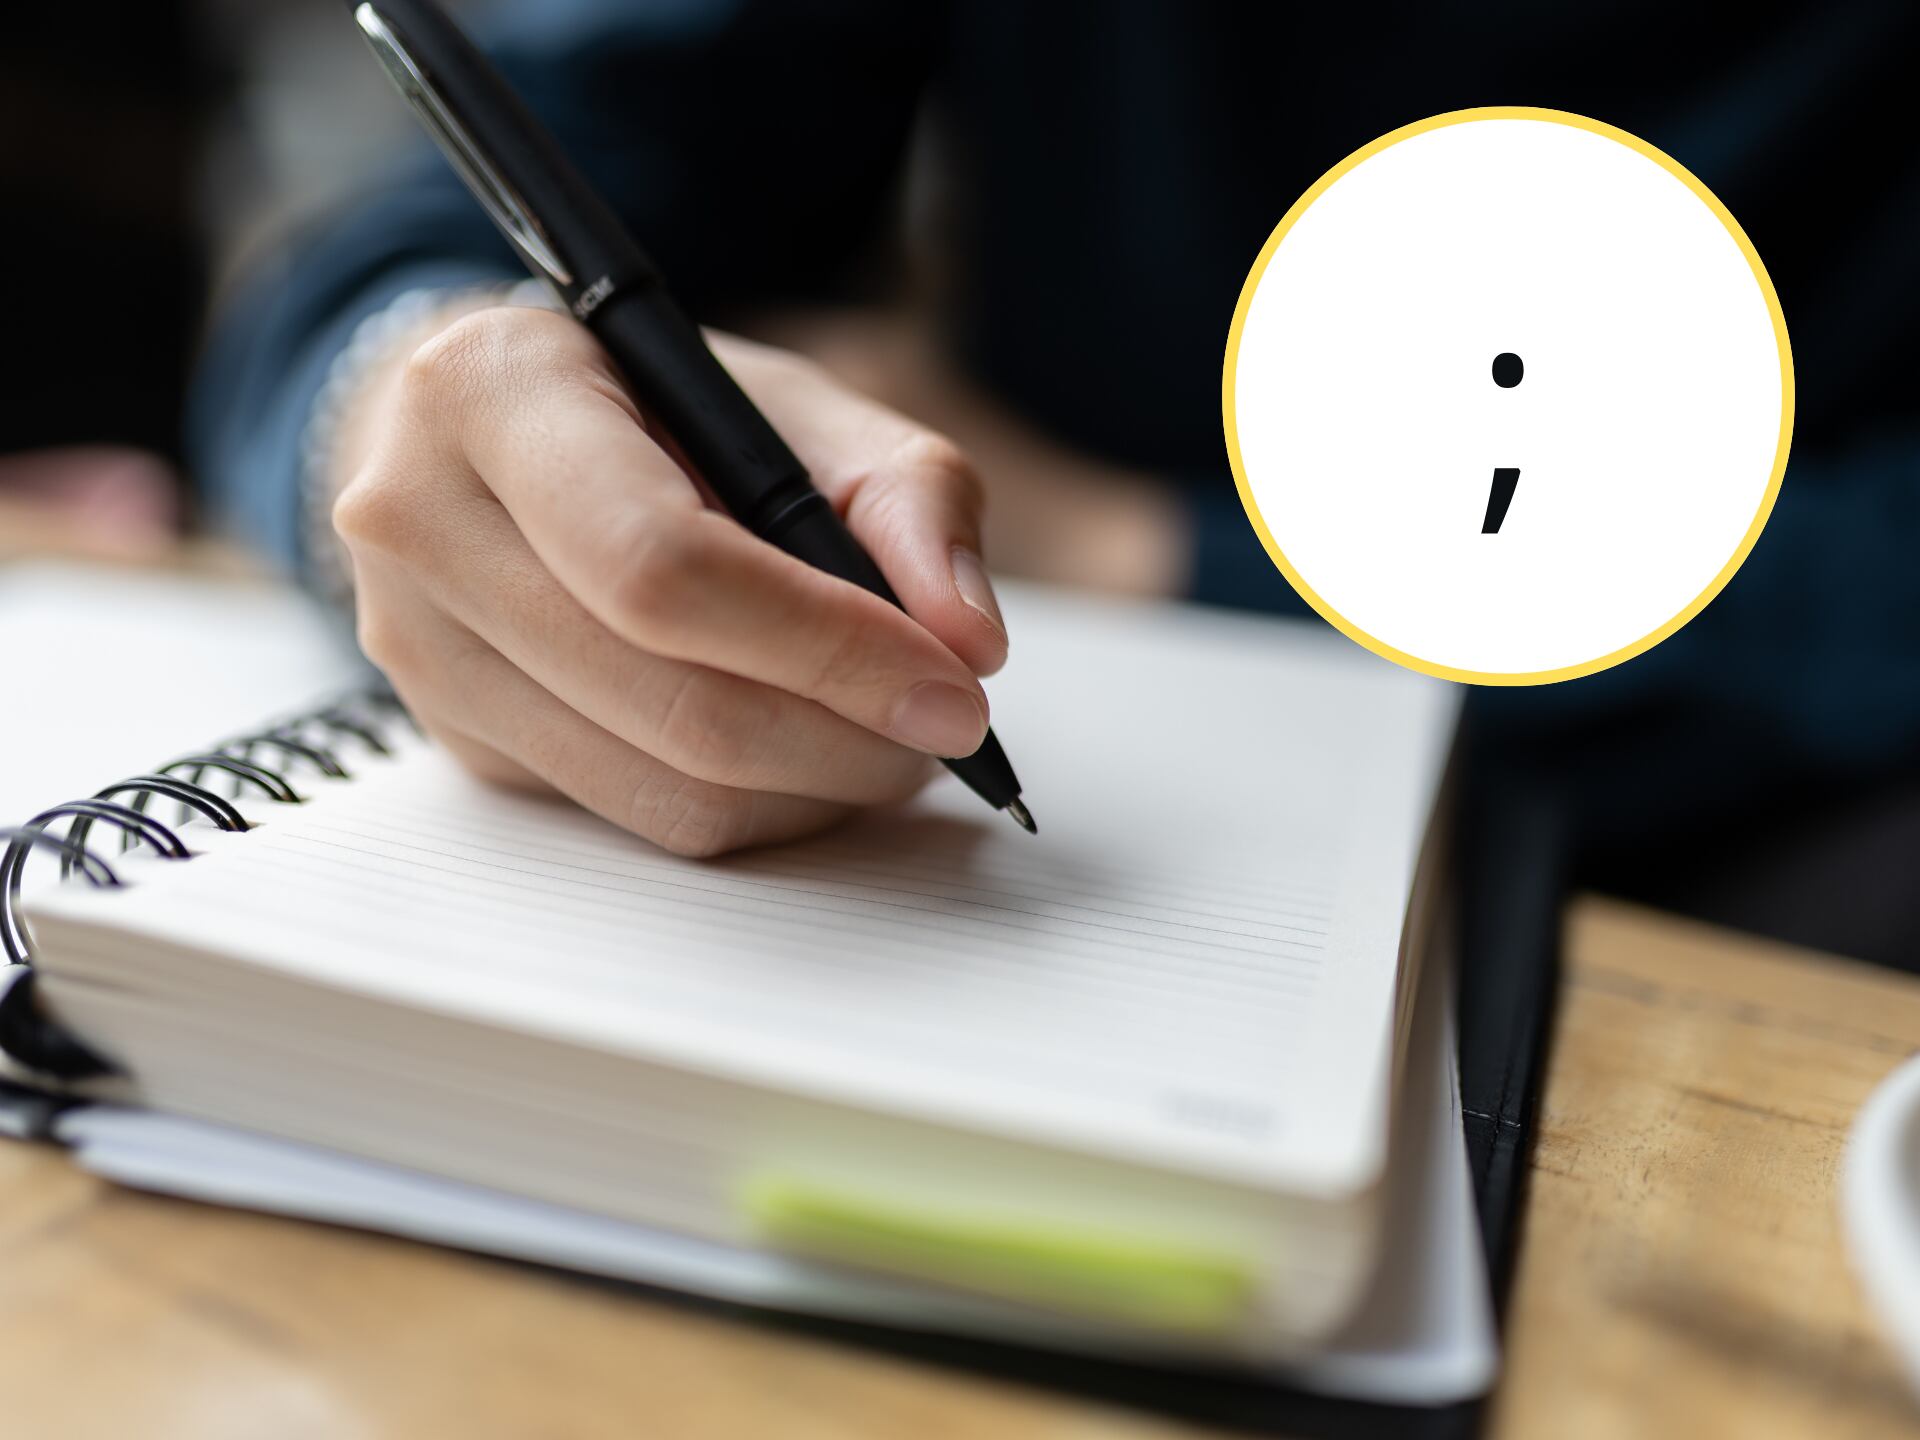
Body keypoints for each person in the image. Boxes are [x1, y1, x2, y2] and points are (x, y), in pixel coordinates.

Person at [192, 2, 1920, 958]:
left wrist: (1126, 540)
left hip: (1752, 851)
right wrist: (399, 395)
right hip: (1053, 738)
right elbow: (510, 180)